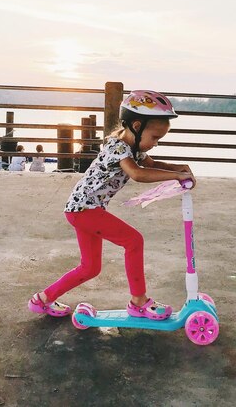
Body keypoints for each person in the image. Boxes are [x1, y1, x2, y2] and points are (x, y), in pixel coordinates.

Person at [27, 90, 195, 320]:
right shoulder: (117, 148)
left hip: (81, 209)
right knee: (133, 241)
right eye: (155, 138)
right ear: (136, 126)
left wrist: (179, 168)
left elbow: (153, 164)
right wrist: (175, 177)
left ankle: (42, 300)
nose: (155, 144)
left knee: (90, 268)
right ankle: (138, 302)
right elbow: (137, 174)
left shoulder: (135, 149)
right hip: (85, 209)